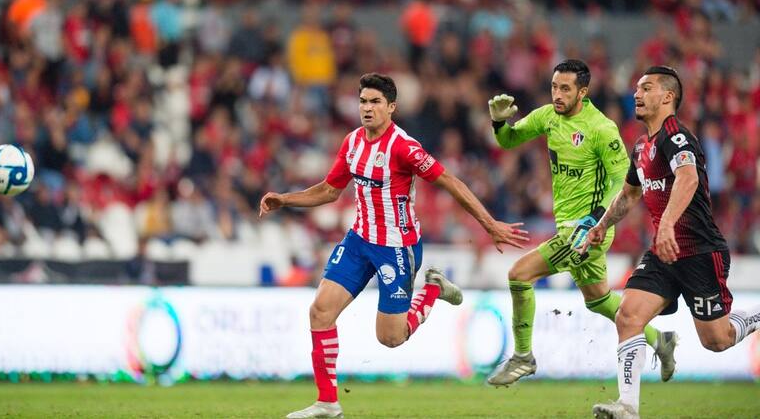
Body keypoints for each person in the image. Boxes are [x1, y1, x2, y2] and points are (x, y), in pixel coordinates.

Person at [260, 73, 529, 419]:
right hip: (359, 240)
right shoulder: (352, 142)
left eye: (375, 102)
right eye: (363, 101)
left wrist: (489, 224)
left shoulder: (404, 147)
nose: (367, 108)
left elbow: (449, 181)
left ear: (391, 107)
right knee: (320, 312)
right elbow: (329, 190)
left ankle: (432, 290)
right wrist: (285, 199)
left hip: (396, 248)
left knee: (390, 338)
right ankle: (328, 403)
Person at [485, 59, 677, 386]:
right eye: (554, 87)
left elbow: (622, 182)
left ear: (583, 92)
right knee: (599, 300)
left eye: (565, 89)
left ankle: (523, 356)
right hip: (568, 227)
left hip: (588, 232)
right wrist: (499, 123)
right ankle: (661, 340)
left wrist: (596, 219)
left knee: (519, 275)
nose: (557, 95)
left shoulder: (601, 129)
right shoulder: (548, 116)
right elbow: (509, 141)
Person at [584, 66, 760, 419]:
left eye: (646, 88)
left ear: (668, 97)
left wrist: (666, 224)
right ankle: (627, 407)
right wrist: (602, 225)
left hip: (699, 251)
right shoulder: (641, 147)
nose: (637, 94)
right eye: (637, 88)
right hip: (663, 253)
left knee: (717, 340)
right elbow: (629, 195)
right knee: (628, 316)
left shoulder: (676, 136)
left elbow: (688, 177)